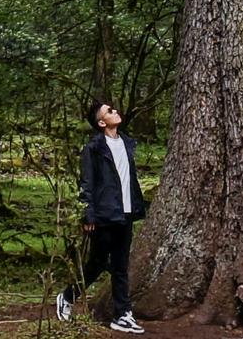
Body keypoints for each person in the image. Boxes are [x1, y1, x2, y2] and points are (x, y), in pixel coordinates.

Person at [56, 101, 146, 334]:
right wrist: (88, 215)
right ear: (101, 122)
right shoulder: (93, 148)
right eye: (109, 111)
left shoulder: (126, 143)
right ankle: (67, 297)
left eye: (113, 109)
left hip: (125, 214)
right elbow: (87, 184)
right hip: (105, 215)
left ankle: (122, 315)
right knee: (96, 264)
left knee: (120, 266)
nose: (115, 111)